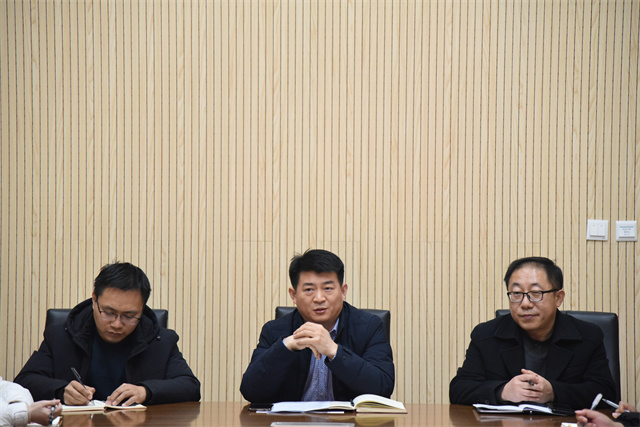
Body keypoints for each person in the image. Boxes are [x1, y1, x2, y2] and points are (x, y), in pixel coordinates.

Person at [14, 262, 201, 406]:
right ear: (94, 299)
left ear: (142, 309)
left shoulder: (161, 340)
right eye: (109, 313)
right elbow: (24, 381)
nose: (117, 324)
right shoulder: (61, 335)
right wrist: (61, 391)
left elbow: (190, 386)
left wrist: (145, 391)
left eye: (129, 316)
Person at [449, 256, 616, 410]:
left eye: (536, 293)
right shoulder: (486, 335)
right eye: (516, 293)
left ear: (558, 297)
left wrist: (553, 392)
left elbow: (606, 394)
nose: (525, 304)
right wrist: (502, 391)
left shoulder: (587, 336)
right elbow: (459, 389)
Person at [240, 249, 395, 403]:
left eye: (328, 288)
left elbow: (382, 388)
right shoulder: (274, 330)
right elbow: (251, 391)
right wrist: (286, 347)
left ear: (343, 291)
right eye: (309, 290)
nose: (319, 298)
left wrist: (334, 351)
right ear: (293, 295)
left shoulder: (369, 327)